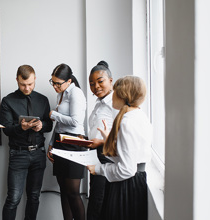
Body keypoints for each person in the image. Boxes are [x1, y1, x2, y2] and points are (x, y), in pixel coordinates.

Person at [86, 75, 152, 220]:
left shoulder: (128, 122)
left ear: (123, 95)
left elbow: (127, 169)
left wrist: (99, 169)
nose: (112, 95)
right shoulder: (139, 116)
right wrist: (108, 139)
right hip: (133, 183)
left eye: (114, 92)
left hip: (126, 186)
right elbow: (130, 153)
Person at [0, 65, 53, 220]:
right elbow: (6, 129)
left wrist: (42, 125)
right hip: (18, 154)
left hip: (39, 153)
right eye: (23, 84)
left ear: (34, 79)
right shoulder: (8, 101)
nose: (27, 87)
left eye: (30, 84)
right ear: (17, 80)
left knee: (34, 196)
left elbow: (49, 125)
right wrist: (21, 128)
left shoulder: (43, 100)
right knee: (13, 198)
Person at [47, 63, 87, 220]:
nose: (54, 86)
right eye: (53, 82)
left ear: (69, 81)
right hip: (60, 141)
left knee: (73, 193)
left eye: (58, 83)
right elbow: (60, 125)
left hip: (74, 144)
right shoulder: (61, 94)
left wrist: (54, 115)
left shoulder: (76, 93)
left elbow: (76, 122)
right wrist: (51, 143)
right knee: (63, 191)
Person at [85, 61, 118, 220]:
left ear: (111, 81)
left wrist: (101, 142)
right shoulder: (99, 103)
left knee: (99, 204)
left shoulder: (115, 103)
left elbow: (123, 135)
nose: (96, 86)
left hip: (107, 157)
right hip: (95, 155)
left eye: (100, 81)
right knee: (95, 201)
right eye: (92, 83)